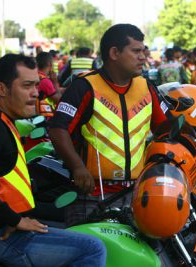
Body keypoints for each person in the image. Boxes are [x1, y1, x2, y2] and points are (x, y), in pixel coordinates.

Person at [0, 54, 106, 266]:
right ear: (1, 89)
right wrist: (14, 220)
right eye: (27, 86)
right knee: (92, 248)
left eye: (37, 86)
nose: (36, 94)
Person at [48, 24, 167, 226]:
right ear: (114, 53)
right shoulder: (84, 86)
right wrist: (77, 167)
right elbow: (58, 129)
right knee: (93, 256)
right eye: (136, 51)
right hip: (91, 196)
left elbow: (166, 128)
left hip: (136, 193)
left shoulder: (147, 87)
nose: (143, 57)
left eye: (143, 51)